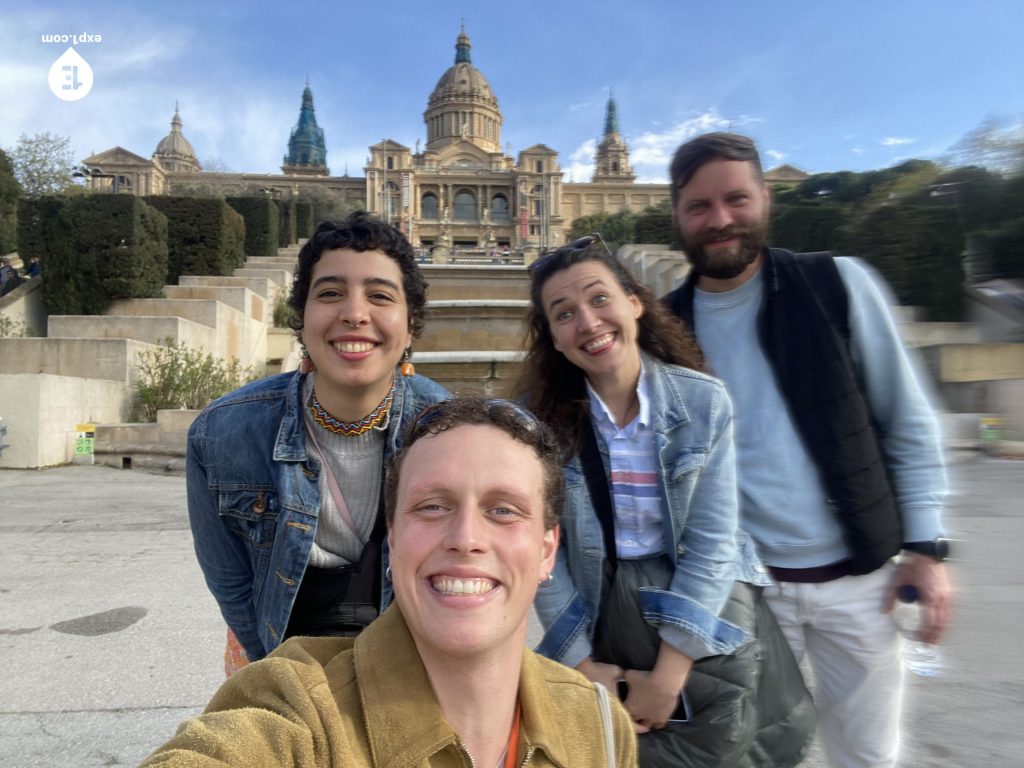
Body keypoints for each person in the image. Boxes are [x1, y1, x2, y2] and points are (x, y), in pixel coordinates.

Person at [663, 132, 953, 768]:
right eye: (699, 207)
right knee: (760, 756)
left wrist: (927, 547)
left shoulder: (837, 283)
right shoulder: (663, 326)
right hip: (745, 593)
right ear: (677, 216)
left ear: (766, 199)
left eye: (736, 200)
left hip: (862, 581)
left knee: (869, 755)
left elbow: (906, 417)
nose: (720, 221)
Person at [142, 397, 637, 767]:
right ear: (394, 538)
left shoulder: (599, 724)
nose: (466, 538)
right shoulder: (301, 708)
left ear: (548, 548)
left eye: (503, 510)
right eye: (432, 506)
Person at [514, 237, 814, 767]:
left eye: (599, 298)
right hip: (602, 617)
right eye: (564, 314)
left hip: (702, 606)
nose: (587, 321)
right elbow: (544, 558)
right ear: (554, 339)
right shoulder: (537, 424)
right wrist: (581, 665)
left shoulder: (702, 401)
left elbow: (713, 542)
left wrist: (671, 673)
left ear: (635, 301)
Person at [186, 212, 449, 668]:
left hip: (411, 661)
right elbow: (230, 579)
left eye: (380, 295)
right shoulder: (222, 433)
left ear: (411, 327)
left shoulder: (450, 431)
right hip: (276, 650)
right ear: (302, 321)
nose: (353, 313)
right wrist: (276, 676)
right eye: (329, 293)